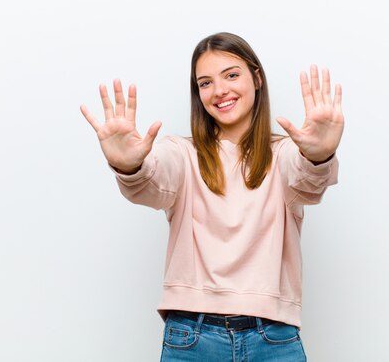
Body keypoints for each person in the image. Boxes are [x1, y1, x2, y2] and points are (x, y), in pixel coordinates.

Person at [80, 32, 344, 361]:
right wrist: (127, 162)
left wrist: (319, 156)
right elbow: (150, 183)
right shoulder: (181, 153)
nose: (219, 91)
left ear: (257, 78)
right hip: (192, 337)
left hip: (273, 337)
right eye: (205, 83)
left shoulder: (286, 154)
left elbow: (309, 181)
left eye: (231, 75)